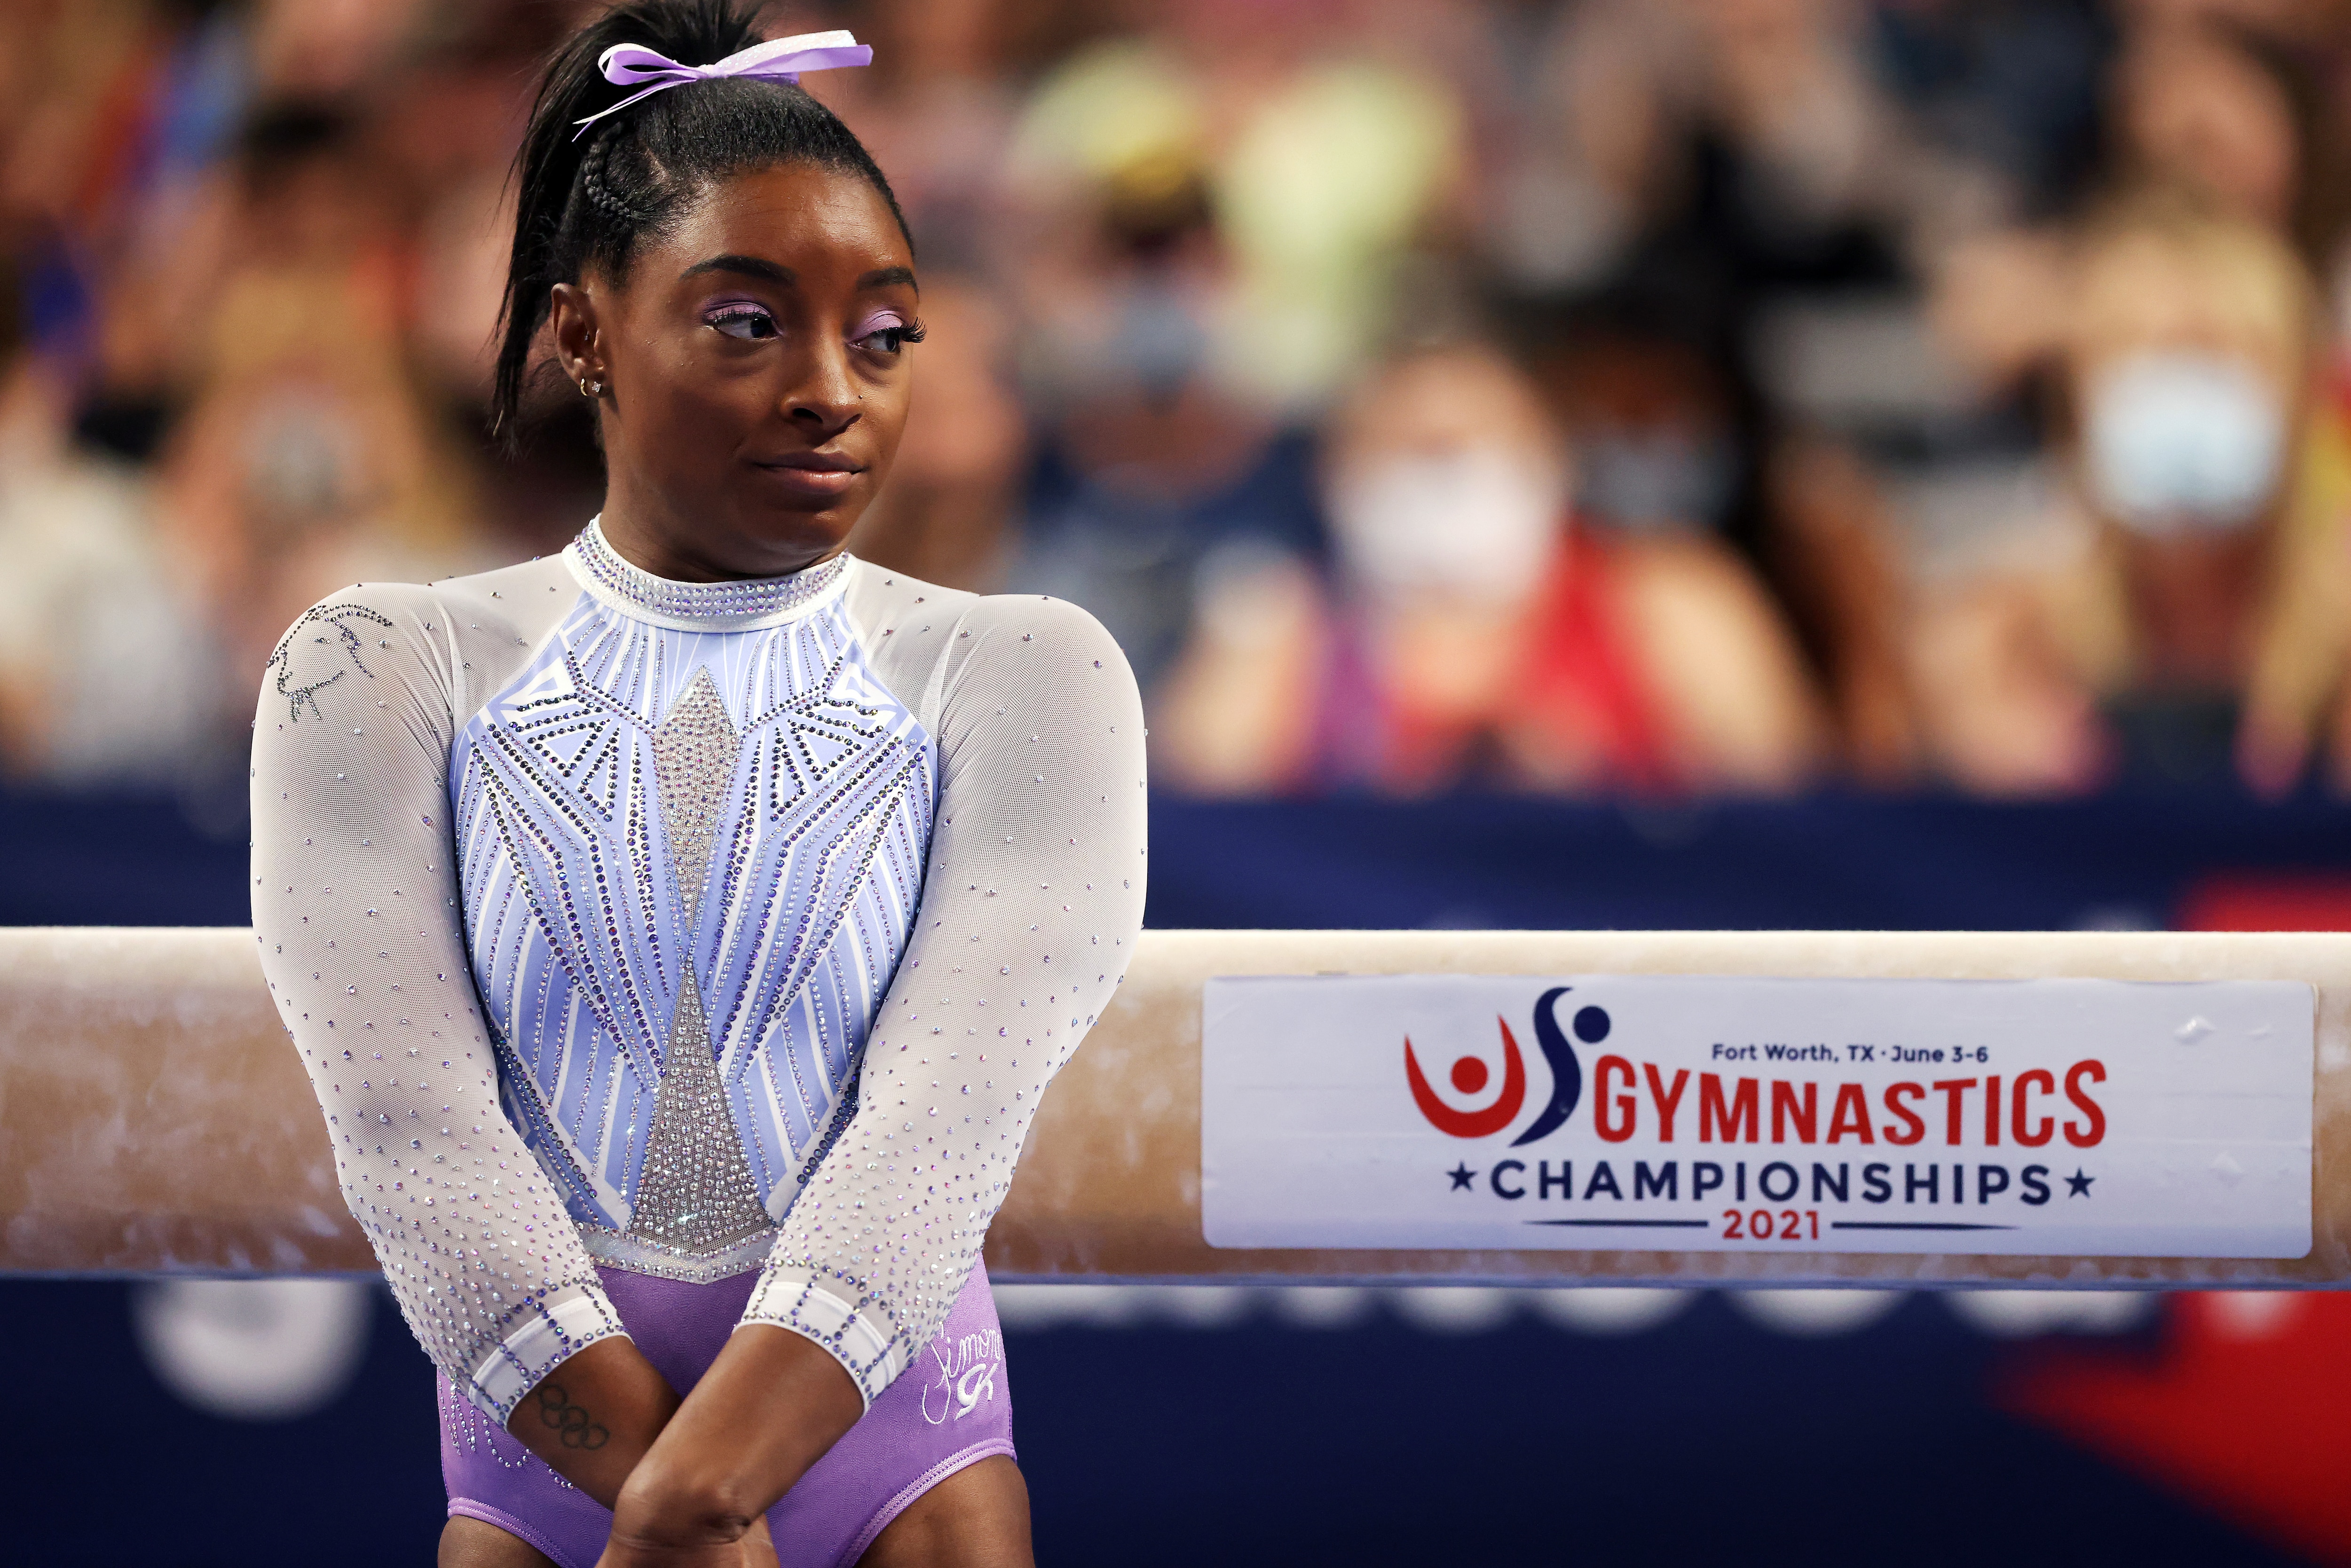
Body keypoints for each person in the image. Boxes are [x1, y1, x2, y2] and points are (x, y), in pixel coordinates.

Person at [247, 5, 1147, 1565]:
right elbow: (413, 1137)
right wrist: (659, 1489)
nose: (832, 391)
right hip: (549, 1456)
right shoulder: (378, 666)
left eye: (884, 335)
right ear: (581, 329)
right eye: (748, 323)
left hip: (897, 1457)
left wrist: (694, 1494)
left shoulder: (1027, 672)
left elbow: (942, 1127)